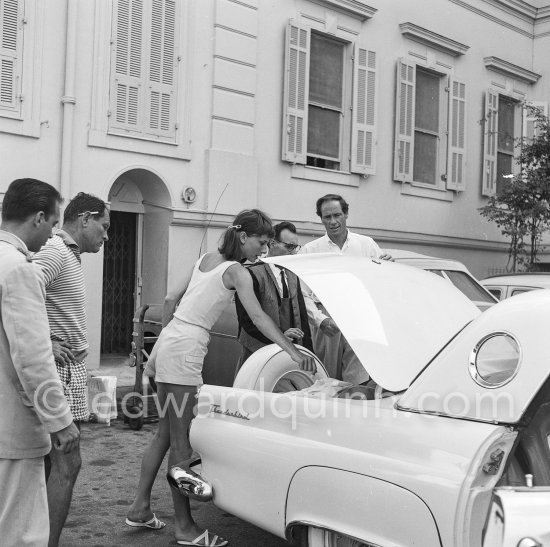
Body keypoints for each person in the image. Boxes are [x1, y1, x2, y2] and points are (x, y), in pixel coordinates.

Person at [126, 209, 316, 547]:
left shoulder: (206, 258)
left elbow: (171, 299)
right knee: (182, 441)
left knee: (165, 435)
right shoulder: (236, 271)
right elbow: (257, 316)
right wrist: (291, 349)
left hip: (171, 340)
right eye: (261, 241)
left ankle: (140, 508)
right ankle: (185, 528)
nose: (263, 249)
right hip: (187, 347)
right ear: (244, 237)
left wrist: (166, 341)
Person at [0, 178, 80, 547]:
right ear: (37, 218)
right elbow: (33, 358)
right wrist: (60, 421)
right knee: (20, 533)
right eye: (52, 224)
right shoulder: (18, 268)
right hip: (11, 425)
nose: (51, 236)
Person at [33, 192, 110, 547]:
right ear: (85, 219)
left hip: (70, 370)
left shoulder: (67, 255)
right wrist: (47, 340)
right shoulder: (55, 251)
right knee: (66, 463)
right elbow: (11, 290)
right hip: (57, 370)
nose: (107, 236)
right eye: (104, 226)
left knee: (52, 464)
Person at [300, 194, 391, 384]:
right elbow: (302, 293)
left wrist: (388, 267)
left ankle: (354, 411)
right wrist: (320, 320)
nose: (333, 222)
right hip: (327, 320)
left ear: (346, 214)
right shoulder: (311, 250)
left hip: (360, 318)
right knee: (328, 380)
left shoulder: (366, 244)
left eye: (337, 215)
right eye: (327, 217)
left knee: (358, 380)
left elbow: (382, 282)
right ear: (321, 219)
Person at [235, 221, 312, 369]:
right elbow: (247, 321)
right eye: (289, 247)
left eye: (296, 247)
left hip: (291, 355)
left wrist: (309, 352)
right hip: (258, 354)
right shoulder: (250, 273)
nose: (294, 252)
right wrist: (282, 335)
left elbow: (302, 319)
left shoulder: (293, 275)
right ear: (272, 243)